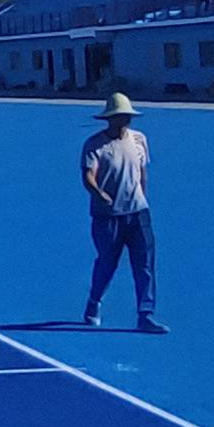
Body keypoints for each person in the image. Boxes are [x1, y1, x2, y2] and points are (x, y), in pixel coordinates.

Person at [81, 94, 166, 333]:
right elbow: (88, 176)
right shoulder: (94, 145)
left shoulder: (139, 140)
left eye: (127, 116)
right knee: (107, 262)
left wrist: (142, 198)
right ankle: (94, 301)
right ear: (110, 118)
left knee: (145, 263)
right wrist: (99, 194)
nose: (125, 120)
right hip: (107, 216)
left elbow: (142, 171)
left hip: (138, 214)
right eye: (121, 116)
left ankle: (145, 314)